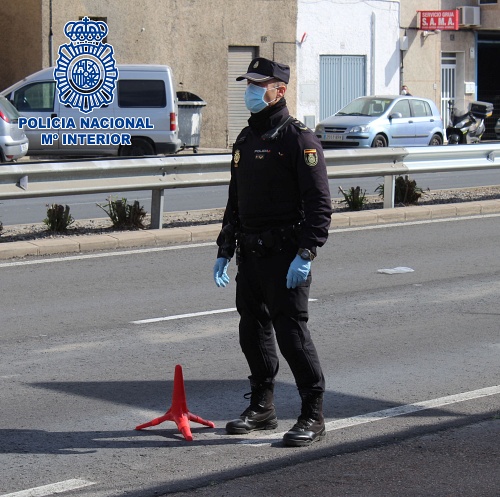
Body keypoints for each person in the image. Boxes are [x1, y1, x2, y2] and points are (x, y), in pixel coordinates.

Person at [213, 57, 332, 447]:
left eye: (257, 85)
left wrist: (307, 252)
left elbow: (319, 204)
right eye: (247, 84)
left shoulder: (298, 139)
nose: (250, 91)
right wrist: (224, 248)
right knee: (252, 332)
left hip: (285, 257)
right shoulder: (246, 140)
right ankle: (262, 407)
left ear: (279, 90)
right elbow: (236, 201)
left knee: (291, 334)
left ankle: (312, 415)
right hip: (250, 255)